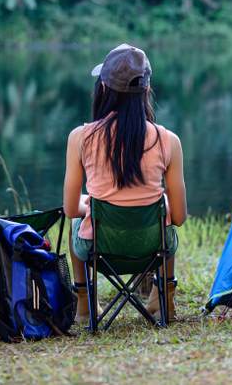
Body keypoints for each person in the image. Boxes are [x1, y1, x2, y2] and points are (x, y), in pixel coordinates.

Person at [63, 43, 187, 324]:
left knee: (74, 224)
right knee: (164, 214)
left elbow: (71, 209)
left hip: (98, 249)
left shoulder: (80, 138)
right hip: (152, 247)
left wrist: (91, 204)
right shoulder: (169, 141)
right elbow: (179, 217)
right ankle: (163, 297)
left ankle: (83, 303)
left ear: (104, 89)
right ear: (146, 89)